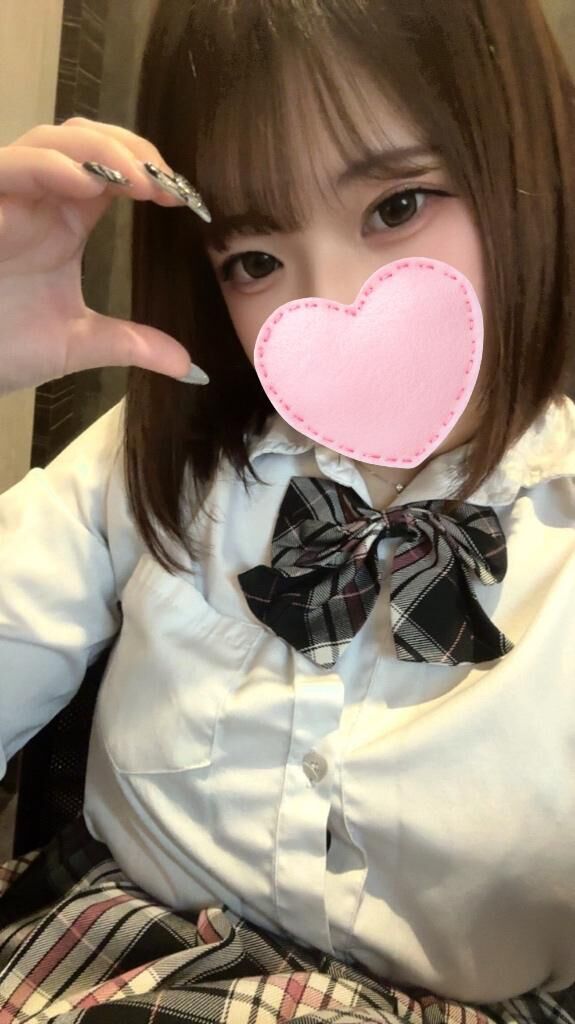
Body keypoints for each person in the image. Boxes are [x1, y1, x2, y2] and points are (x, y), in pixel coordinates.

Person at [0, 0, 574, 1020]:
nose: (331, 303)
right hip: (109, 971)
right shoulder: (160, 454)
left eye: (397, 206)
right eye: (254, 262)